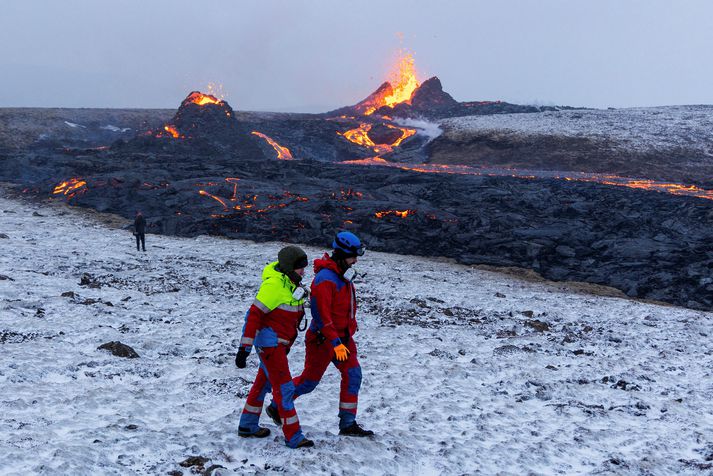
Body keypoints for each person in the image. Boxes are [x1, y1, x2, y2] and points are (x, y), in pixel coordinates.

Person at [266, 231, 374, 437]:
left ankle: (348, 424)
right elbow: (322, 317)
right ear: (342, 254)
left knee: (353, 374)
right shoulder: (325, 280)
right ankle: (277, 405)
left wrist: (346, 335)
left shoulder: (342, 274)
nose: (356, 260)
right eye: (353, 256)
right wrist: (336, 343)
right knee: (308, 382)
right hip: (324, 341)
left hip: (342, 339)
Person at [235, 245, 314, 449]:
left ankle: (248, 425)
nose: (303, 272)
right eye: (300, 268)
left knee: (262, 384)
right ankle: (294, 437)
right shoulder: (273, 286)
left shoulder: (290, 283)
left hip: (278, 345)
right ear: (288, 267)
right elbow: (253, 316)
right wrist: (244, 349)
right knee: (284, 389)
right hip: (270, 346)